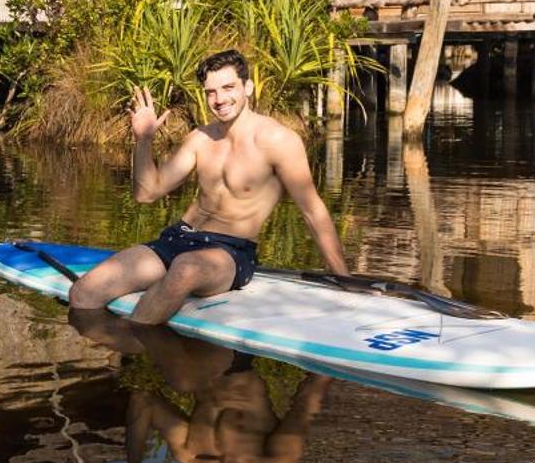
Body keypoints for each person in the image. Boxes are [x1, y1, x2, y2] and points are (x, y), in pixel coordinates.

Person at [68, 48, 347, 325]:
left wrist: (344, 280)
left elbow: (313, 212)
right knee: (83, 294)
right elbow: (147, 193)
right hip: (177, 239)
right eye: (211, 92)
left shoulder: (278, 140)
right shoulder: (199, 138)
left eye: (228, 87)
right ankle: (128, 344)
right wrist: (144, 140)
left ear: (247, 87)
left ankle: (135, 340)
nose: (220, 99)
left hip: (229, 251)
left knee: (185, 269)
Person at [75, 314, 328, 463]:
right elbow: (304, 406)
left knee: (89, 325)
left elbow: (144, 400)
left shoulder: (189, 452)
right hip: (234, 356)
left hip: (189, 352)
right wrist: (326, 349)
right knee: (179, 372)